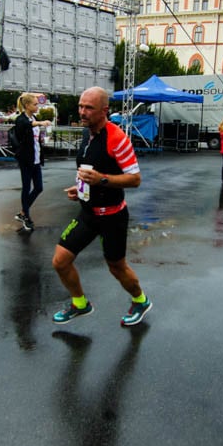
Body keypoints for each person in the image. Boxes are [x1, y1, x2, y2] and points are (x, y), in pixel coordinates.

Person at [51, 86, 151, 328]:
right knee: (60, 261)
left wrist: (102, 180)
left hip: (113, 217)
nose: (82, 112)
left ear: (104, 110)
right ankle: (80, 304)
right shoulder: (87, 133)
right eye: (80, 106)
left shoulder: (117, 139)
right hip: (88, 213)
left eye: (89, 108)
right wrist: (81, 189)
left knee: (117, 267)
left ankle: (140, 300)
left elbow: (135, 179)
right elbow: (89, 170)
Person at [13, 92, 50, 232]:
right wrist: (41, 122)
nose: (37, 106)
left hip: (35, 159)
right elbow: (26, 125)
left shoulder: (33, 117)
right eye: (35, 104)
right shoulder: (21, 119)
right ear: (27, 105)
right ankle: (26, 216)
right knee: (26, 187)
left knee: (39, 187)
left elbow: (34, 134)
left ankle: (23, 213)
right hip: (26, 160)